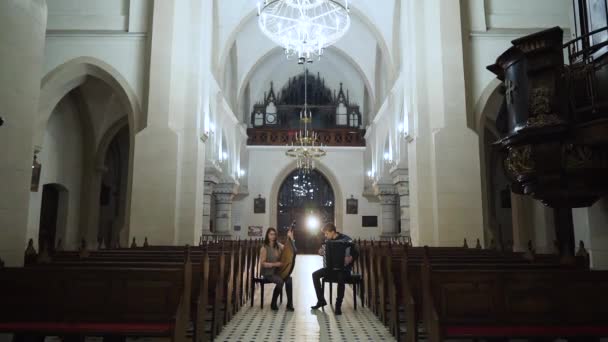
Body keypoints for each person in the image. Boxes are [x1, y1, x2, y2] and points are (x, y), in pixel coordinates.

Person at [311, 223, 358, 315]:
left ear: (333, 232)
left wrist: (351, 257)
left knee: (341, 278)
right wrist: (321, 252)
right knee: (315, 275)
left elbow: (356, 252)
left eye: (327, 233)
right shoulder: (328, 242)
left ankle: (338, 305)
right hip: (330, 269)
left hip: (344, 269)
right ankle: (321, 300)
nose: (325, 235)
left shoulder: (346, 240)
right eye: (325, 234)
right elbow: (324, 252)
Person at [259, 227, 295, 311]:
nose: (273, 236)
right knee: (280, 281)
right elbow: (263, 263)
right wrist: (275, 264)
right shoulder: (264, 248)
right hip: (268, 273)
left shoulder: (278, 245)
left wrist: (291, 238)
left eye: (274, 234)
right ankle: (273, 302)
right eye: (271, 234)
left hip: (277, 272)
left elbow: (288, 249)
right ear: (267, 235)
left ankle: (290, 304)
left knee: (289, 279)